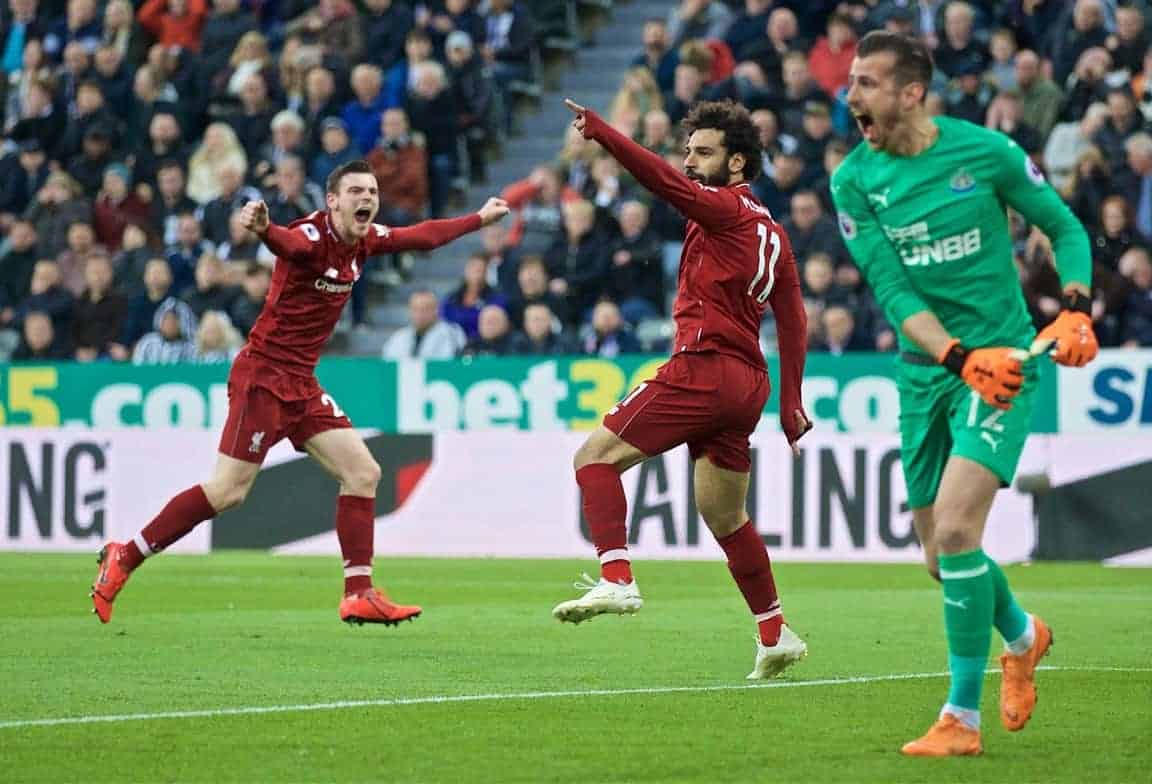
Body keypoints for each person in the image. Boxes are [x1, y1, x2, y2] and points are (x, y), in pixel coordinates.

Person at [90, 158, 510, 627]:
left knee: (363, 472)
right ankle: (125, 555)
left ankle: (359, 593)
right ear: (332, 201)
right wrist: (266, 230)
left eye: (371, 192)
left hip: (301, 384)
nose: (367, 199)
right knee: (229, 492)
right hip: (263, 378)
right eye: (356, 192)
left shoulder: (364, 242)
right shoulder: (311, 239)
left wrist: (479, 219)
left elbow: (423, 235)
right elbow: (287, 242)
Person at [831, 30, 1098, 757]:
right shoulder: (853, 179)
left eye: (866, 83)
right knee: (937, 554)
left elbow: (1063, 227)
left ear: (911, 92)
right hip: (929, 373)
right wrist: (954, 356)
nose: (850, 95)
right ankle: (1023, 635)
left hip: (1006, 365)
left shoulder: (987, 154)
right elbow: (890, 287)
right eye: (851, 82)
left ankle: (961, 718)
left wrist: (1075, 305)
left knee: (954, 531)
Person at [556, 97, 812, 679]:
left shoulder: (727, 210)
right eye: (688, 151)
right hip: (748, 383)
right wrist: (791, 402)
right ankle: (775, 632)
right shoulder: (772, 231)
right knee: (725, 516)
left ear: (739, 165)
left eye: (704, 153)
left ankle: (617, 577)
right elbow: (793, 319)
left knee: (592, 458)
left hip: (705, 365)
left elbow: (665, 183)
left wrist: (605, 135)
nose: (690, 163)